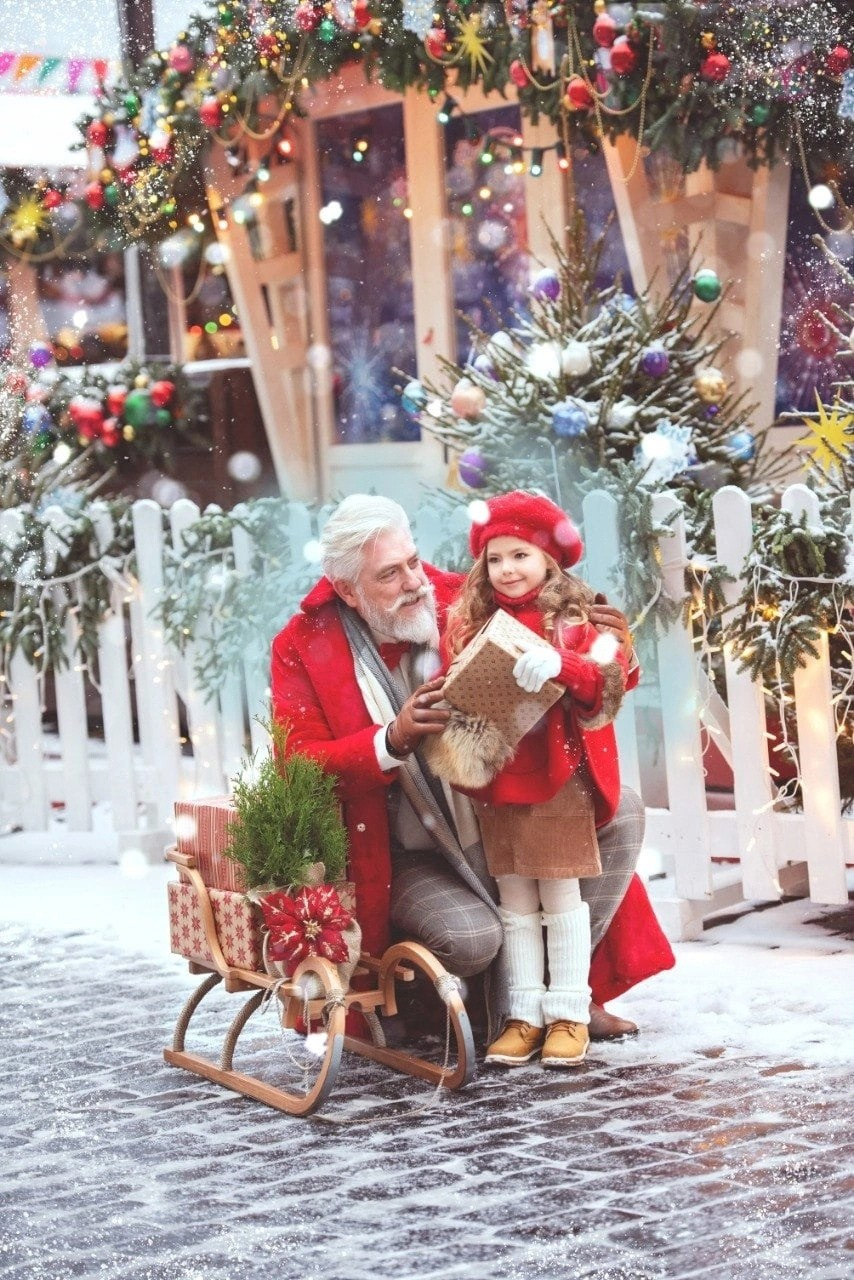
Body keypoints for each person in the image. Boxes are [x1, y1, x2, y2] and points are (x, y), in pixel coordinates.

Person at [270, 494, 673, 1042]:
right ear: (347, 590)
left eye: (413, 561)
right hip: (405, 849)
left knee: (620, 811)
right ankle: (455, 1001)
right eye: (389, 574)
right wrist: (391, 739)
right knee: (472, 937)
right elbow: (299, 766)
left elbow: (570, 647)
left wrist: (610, 646)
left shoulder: (462, 598)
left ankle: (565, 996)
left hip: (494, 807)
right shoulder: (303, 645)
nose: (415, 581)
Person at [432, 491, 631, 1068]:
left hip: (557, 776)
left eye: (520, 555)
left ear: (549, 558)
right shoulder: (471, 621)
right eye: (494, 559)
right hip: (499, 777)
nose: (507, 570)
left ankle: (568, 1011)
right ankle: (523, 1014)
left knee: (560, 893)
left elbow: (609, 682)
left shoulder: (576, 618)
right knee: (515, 897)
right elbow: (455, 684)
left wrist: (562, 663)